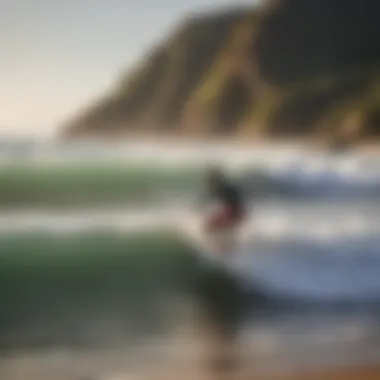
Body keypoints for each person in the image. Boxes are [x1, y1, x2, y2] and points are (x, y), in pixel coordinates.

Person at [200, 165, 247, 255]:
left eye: (211, 179)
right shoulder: (224, 187)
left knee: (210, 227)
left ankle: (224, 249)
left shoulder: (221, 188)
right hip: (237, 212)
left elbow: (231, 205)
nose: (209, 182)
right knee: (217, 228)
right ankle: (228, 248)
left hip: (234, 212)